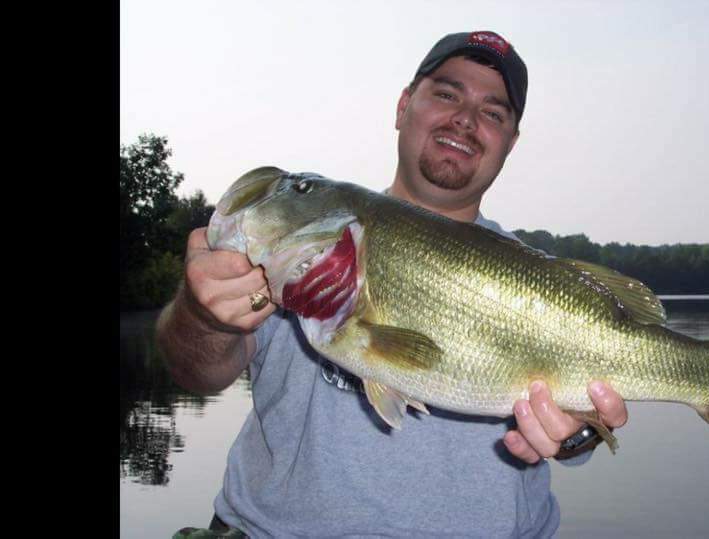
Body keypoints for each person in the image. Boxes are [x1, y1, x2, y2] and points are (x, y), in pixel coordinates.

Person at [158, 31, 629, 538]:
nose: (466, 120)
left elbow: (580, 438)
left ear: (510, 143)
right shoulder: (304, 247)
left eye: (493, 112)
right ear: (404, 106)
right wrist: (202, 316)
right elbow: (195, 372)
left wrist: (579, 434)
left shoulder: (540, 286)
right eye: (447, 94)